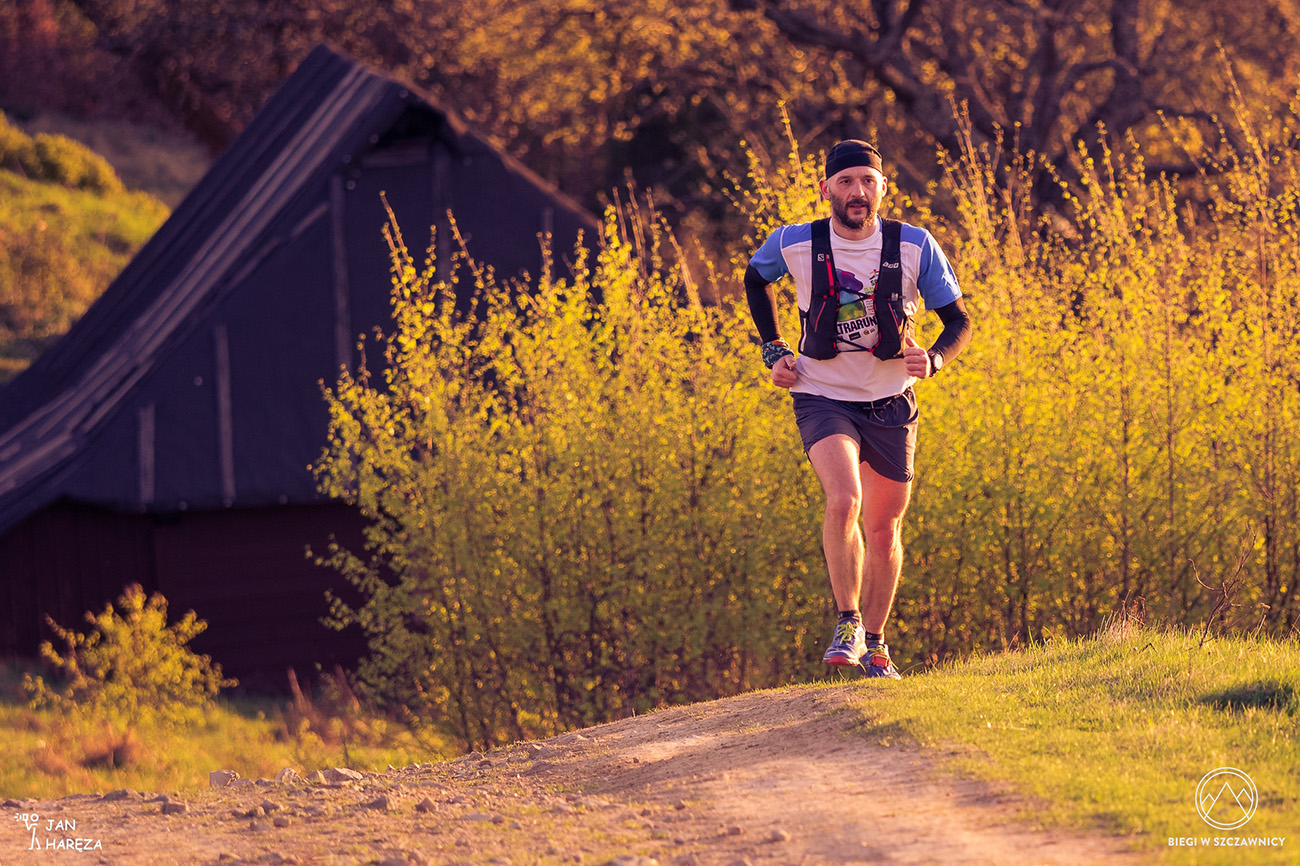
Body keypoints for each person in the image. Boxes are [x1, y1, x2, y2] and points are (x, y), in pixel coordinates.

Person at [744, 139, 972, 678]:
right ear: (826, 188)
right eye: (846, 181)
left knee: (884, 527)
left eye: (867, 181)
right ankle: (846, 622)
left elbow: (959, 321)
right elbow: (755, 279)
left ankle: (875, 643)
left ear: (883, 188)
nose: (857, 192)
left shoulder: (915, 245)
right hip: (821, 394)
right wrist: (774, 349)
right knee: (844, 498)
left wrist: (934, 359)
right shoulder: (795, 242)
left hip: (892, 400)